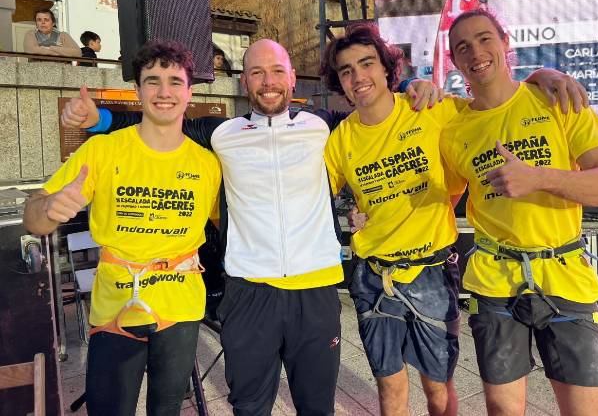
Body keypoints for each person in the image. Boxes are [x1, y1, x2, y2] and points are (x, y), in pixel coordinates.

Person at [59, 38, 440, 415]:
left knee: (316, 407)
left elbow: (374, 109)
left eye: (277, 71)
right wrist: (100, 119)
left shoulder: (323, 125)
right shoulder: (222, 133)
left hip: (315, 290)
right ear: (244, 82)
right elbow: (161, 120)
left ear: (292, 78)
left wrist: (410, 85)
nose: (268, 81)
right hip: (248, 293)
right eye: (257, 73)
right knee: (250, 407)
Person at [319, 22, 590, 416]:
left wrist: (540, 76)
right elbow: (315, 195)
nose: (358, 76)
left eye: (367, 63)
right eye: (346, 70)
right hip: (374, 276)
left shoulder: (431, 109)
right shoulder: (340, 139)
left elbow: (494, 98)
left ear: (386, 68)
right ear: (339, 82)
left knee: (439, 390)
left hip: (431, 270)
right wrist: (350, 213)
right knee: (389, 389)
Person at [439, 9, 598, 416]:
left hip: (565, 276)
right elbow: (439, 198)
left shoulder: (556, 99)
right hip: (494, 284)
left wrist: (539, 177)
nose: (476, 52)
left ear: (505, 42)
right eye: (463, 47)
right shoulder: (453, 129)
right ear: (454, 61)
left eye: (485, 39)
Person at [23, 40, 221, 416]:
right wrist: (49, 208)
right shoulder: (103, 151)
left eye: (175, 82)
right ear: (137, 90)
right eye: (152, 81)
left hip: (180, 308)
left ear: (190, 92)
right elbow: (34, 219)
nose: (164, 92)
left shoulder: (208, 164)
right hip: (116, 305)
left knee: (168, 410)